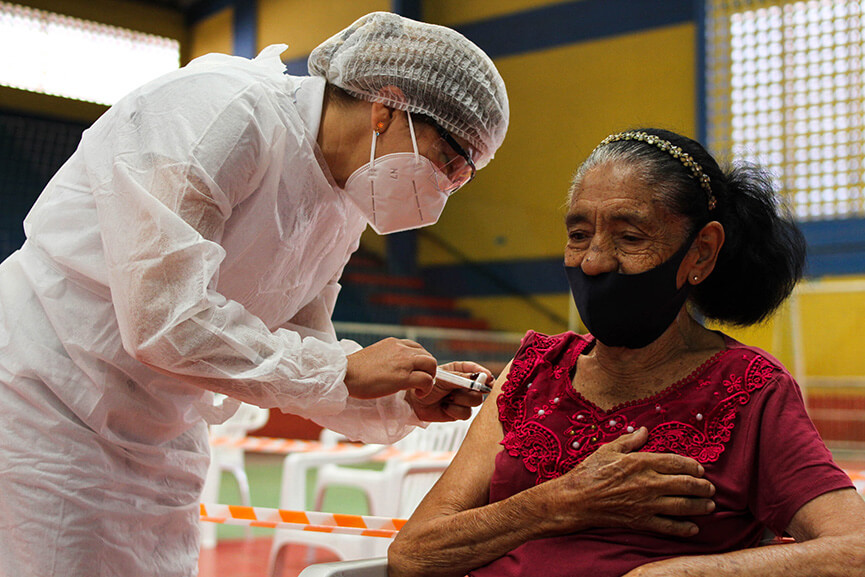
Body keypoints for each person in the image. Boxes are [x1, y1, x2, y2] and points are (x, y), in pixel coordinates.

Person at [0, 11, 509, 577]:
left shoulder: (341, 206)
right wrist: (343, 374)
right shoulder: (220, 110)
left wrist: (399, 396)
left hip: (163, 433)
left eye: (464, 176)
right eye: (450, 160)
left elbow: (289, 347)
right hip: (44, 401)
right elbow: (162, 319)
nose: (446, 184)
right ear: (386, 106)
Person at [388, 128, 865, 577]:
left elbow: (854, 549)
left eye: (630, 238)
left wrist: (672, 574)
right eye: (578, 235)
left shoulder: (749, 390)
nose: (594, 261)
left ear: (700, 252)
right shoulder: (533, 372)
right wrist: (560, 502)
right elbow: (413, 554)